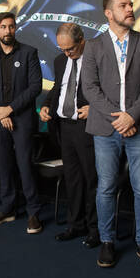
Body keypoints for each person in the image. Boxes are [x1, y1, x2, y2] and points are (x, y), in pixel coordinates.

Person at [81, 0, 140, 270]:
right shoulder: (93, 46)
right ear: (108, 13)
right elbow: (90, 87)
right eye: (123, 5)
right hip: (106, 129)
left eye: (130, 4)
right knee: (105, 188)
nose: (129, 9)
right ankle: (107, 242)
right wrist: (118, 118)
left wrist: (132, 117)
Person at [0, 12, 43, 234]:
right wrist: (1, 112)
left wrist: (11, 109)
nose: (8, 31)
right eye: (3, 27)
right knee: (4, 165)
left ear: (15, 28)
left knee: (25, 165)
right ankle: (7, 208)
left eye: (11, 26)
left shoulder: (28, 52)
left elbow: (35, 87)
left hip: (22, 118)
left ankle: (33, 212)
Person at [40, 23, 100, 247]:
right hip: (64, 127)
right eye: (62, 49)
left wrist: (95, 109)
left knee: (91, 179)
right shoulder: (60, 60)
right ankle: (76, 225)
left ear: (81, 41)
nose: (66, 53)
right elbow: (58, 88)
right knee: (72, 179)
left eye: (70, 49)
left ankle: (95, 229)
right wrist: (46, 105)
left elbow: (109, 91)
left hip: (87, 127)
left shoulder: (96, 59)